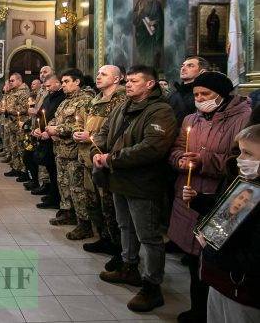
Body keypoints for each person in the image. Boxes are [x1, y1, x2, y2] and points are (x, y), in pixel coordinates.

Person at [92, 65, 177, 312]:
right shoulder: (123, 106)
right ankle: (129, 266)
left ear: (150, 84)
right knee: (125, 226)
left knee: (148, 236)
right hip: (119, 179)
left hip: (143, 182)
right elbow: (105, 131)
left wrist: (112, 158)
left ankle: (152, 285)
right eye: (127, 80)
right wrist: (98, 151)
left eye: (134, 81)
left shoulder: (160, 111)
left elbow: (152, 148)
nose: (128, 84)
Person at [168, 71, 250, 323]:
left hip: (219, 195)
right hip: (189, 194)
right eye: (196, 94)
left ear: (222, 95)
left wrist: (204, 161)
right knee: (194, 260)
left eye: (206, 94)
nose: (200, 98)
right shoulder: (191, 119)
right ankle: (197, 309)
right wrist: (180, 159)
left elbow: (241, 160)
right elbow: (177, 148)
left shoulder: (243, 119)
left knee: (214, 260)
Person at [186, 125, 260, 322]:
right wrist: (198, 200)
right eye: (239, 151)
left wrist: (210, 248)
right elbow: (227, 214)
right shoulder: (247, 184)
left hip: (243, 289)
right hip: (221, 280)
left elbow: (253, 258)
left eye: (248, 153)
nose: (239, 159)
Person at [74, 65, 126, 266]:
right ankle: (104, 237)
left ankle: (119, 247)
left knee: (109, 205)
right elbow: (89, 122)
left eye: (104, 74)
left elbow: (116, 131)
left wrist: (92, 136)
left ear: (117, 79)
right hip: (89, 155)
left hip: (106, 157)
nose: (98, 76)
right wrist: (80, 133)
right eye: (98, 73)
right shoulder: (96, 98)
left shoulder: (121, 99)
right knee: (93, 200)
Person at [45, 68, 95, 238]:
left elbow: (80, 126)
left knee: (77, 189)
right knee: (63, 184)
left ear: (77, 82)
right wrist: (48, 128)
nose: (63, 85)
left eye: (66, 82)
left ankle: (84, 223)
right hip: (61, 150)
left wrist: (56, 130)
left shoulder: (84, 101)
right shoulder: (66, 101)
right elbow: (55, 118)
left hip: (74, 152)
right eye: (63, 82)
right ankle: (68, 213)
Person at [32, 74, 65, 208]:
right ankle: (52, 194)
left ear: (57, 83)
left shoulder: (61, 97)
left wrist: (48, 131)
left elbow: (56, 117)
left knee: (55, 170)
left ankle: (55, 198)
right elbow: (41, 113)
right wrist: (37, 129)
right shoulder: (49, 96)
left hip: (55, 137)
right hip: (45, 135)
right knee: (49, 168)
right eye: (45, 87)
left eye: (49, 85)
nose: (47, 89)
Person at [3, 73, 30, 181]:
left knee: (21, 148)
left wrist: (8, 110)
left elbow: (24, 108)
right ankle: (15, 167)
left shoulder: (24, 92)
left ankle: (24, 171)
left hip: (20, 124)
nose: (10, 82)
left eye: (12, 80)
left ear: (19, 80)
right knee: (13, 147)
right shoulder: (12, 91)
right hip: (11, 123)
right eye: (10, 81)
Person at [169, 56, 209, 128]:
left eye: (190, 66)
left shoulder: (207, 94)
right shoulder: (173, 95)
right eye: (182, 66)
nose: (183, 69)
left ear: (202, 71)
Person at [132, 0, 164, 69]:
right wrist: (139, 13)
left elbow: (161, 19)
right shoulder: (139, 3)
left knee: (153, 54)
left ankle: (152, 69)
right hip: (142, 33)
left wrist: (155, 22)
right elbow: (134, 19)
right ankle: (142, 68)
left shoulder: (157, 4)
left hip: (153, 34)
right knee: (142, 53)